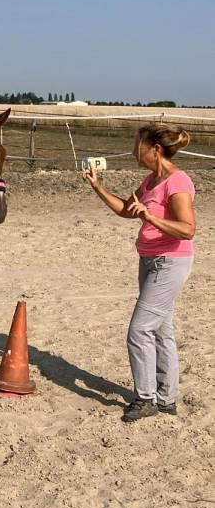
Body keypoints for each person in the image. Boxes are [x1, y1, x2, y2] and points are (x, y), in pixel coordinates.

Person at [83, 124, 195, 422]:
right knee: (160, 330)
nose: (135, 152)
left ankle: (146, 398)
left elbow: (188, 229)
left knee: (139, 330)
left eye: (138, 147)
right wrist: (97, 186)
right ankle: (166, 399)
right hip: (149, 261)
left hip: (170, 263)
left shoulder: (177, 183)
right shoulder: (150, 181)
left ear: (155, 150)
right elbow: (125, 209)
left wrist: (151, 218)